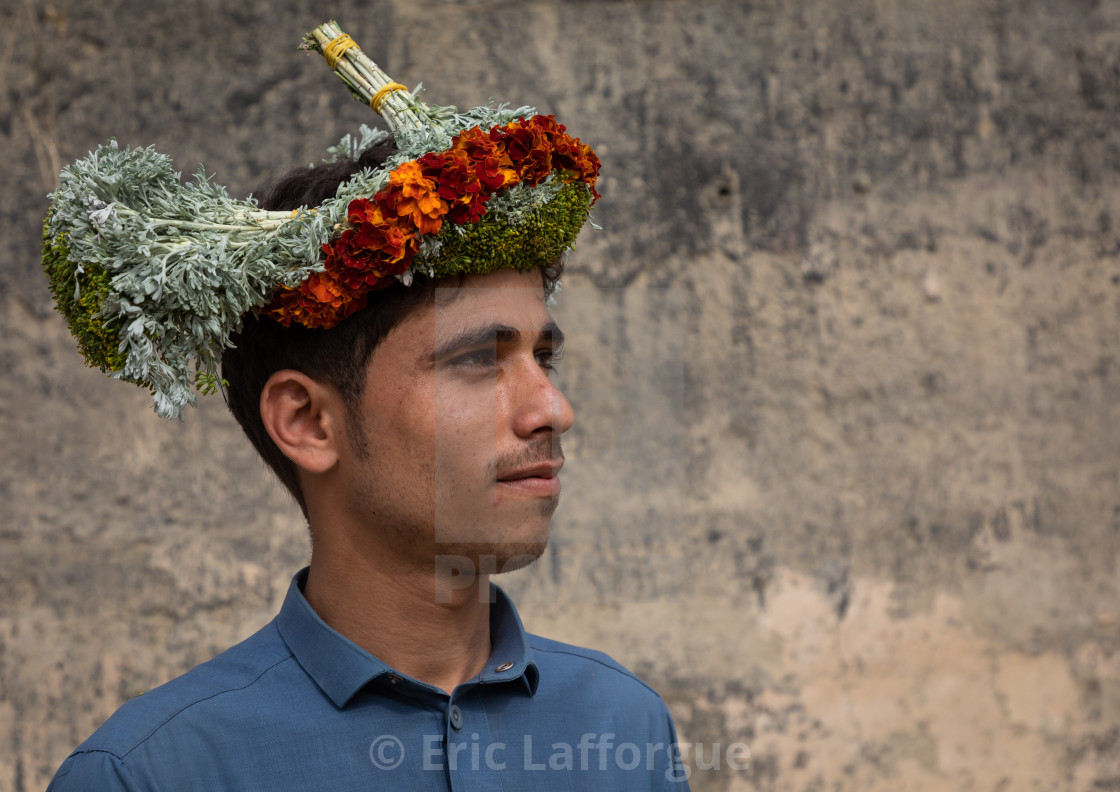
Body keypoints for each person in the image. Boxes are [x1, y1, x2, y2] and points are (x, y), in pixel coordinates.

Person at [45, 23, 688, 792]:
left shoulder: (621, 724)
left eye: (542, 357)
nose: (552, 408)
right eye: (479, 359)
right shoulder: (152, 773)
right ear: (308, 423)